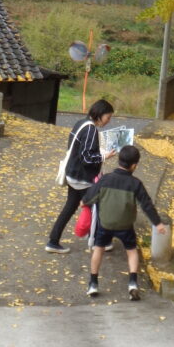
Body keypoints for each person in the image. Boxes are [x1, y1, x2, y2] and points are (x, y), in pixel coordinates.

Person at [82, 144, 166, 300]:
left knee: (98, 249)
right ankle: (133, 283)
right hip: (125, 226)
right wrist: (158, 223)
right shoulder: (136, 184)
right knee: (132, 251)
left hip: (105, 224)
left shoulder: (105, 179)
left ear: (119, 161)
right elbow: (147, 205)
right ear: (134, 165)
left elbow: (90, 197)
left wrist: (84, 202)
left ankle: (93, 283)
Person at [45, 98, 116, 253]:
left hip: (73, 174)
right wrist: (105, 156)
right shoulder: (91, 130)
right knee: (99, 207)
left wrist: (99, 153)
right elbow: (87, 158)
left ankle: (53, 241)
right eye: (108, 117)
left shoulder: (81, 123)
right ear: (100, 114)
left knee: (70, 207)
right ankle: (99, 241)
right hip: (83, 178)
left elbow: (80, 150)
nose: (108, 121)